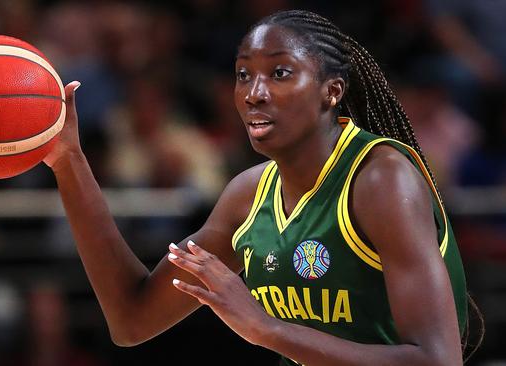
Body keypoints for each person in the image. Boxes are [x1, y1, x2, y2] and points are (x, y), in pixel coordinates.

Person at [44, 10, 477, 365]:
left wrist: (267, 329)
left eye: (280, 73)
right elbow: (132, 319)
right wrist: (69, 162)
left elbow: (438, 362)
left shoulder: (380, 180)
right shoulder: (247, 197)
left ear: (331, 92)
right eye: (243, 75)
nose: (254, 93)